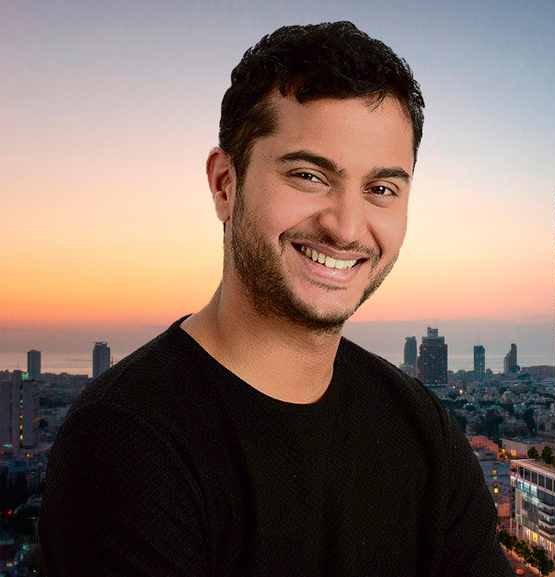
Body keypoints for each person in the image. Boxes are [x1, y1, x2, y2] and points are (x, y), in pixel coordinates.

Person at [39, 22, 514, 576]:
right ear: (225, 185)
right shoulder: (125, 443)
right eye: (310, 175)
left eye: (381, 189)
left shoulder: (422, 431)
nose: (346, 227)